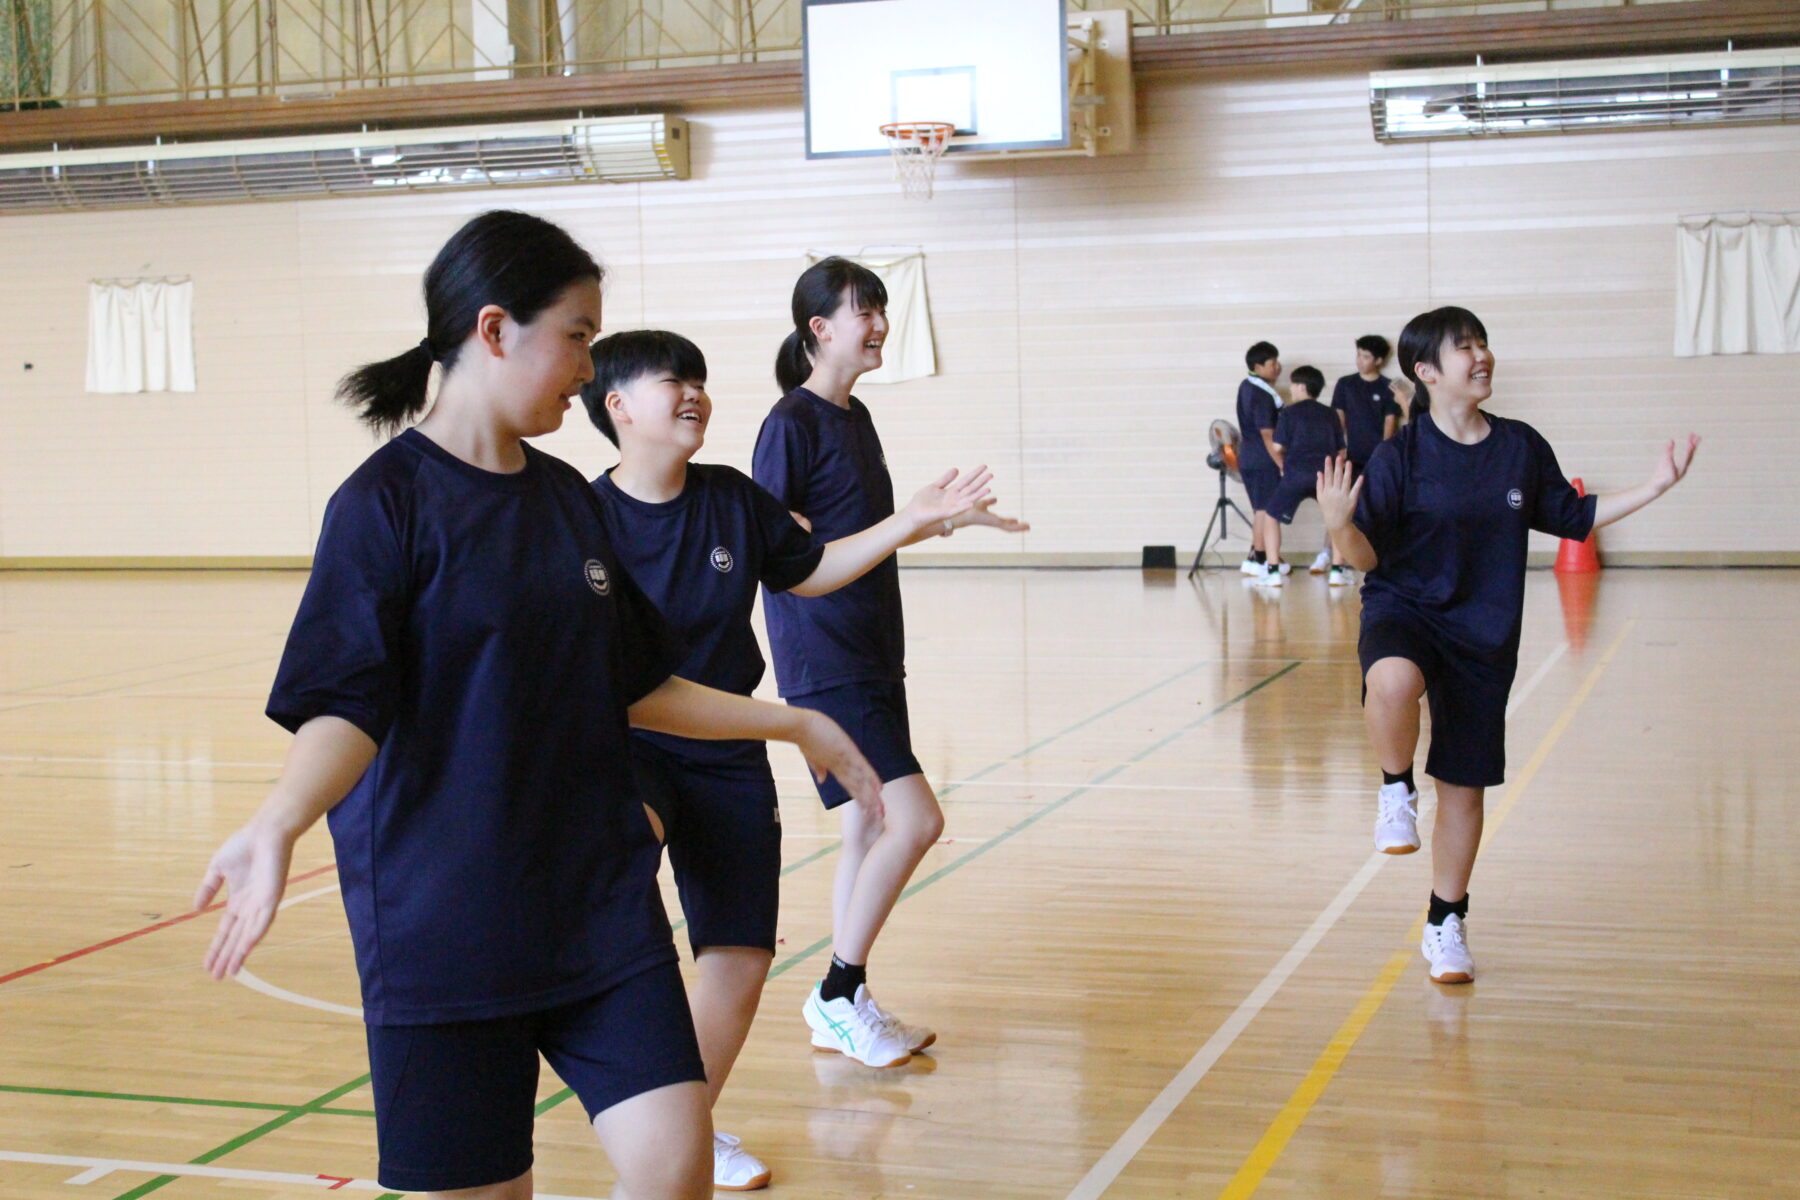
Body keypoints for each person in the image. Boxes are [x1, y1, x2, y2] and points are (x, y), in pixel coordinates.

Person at [192, 211, 882, 1200]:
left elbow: (638, 684)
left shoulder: (567, 501)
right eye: (578, 336)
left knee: (674, 1158)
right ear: (493, 330)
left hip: (597, 904)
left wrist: (798, 721)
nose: (589, 369)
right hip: (443, 923)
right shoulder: (384, 505)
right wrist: (279, 818)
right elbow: (345, 703)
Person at [580, 328, 994, 1187]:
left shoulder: (730, 499)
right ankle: (639, 1112)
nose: (694, 393)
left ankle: (687, 1133)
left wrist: (909, 522)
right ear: (616, 405)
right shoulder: (581, 521)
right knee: (623, 896)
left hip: (729, 752)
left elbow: (812, 569)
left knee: (739, 957)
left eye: (700, 379)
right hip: (629, 748)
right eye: (672, 382)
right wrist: (792, 722)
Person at [1317, 305, 1698, 984]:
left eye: (1483, 343)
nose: (1482, 355)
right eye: (1464, 348)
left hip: (1483, 633)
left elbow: (1574, 517)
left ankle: (1445, 922)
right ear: (1428, 371)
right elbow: (1366, 560)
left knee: (1463, 789)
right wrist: (1340, 524)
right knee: (1394, 681)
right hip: (1404, 606)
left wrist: (1655, 486)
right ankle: (1394, 786)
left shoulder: (1519, 446)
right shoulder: (1400, 455)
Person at [754, 257, 1028, 1069]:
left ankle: (843, 1003)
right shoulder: (790, 424)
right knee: (916, 819)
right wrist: (915, 519)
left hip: (872, 650)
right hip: (825, 656)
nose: (878, 323)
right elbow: (788, 554)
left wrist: (945, 523)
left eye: (881, 308)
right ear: (820, 329)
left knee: (867, 825)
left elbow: (860, 532)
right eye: (863, 310)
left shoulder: (853, 417)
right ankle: (836, 991)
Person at [1256, 365, 1348, 588]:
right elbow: (1342, 452)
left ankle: (1273, 571)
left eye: (1294, 385)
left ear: (1302, 387)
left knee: (1271, 516)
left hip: (1295, 475)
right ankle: (1337, 571)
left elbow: (1277, 447)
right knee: (1336, 520)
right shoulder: (1330, 414)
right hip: (1324, 475)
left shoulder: (1288, 413)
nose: (1291, 389)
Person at [1323, 334, 1403, 573]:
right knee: (1340, 509)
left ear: (1378, 360)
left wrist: (1383, 457)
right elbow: (1338, 421)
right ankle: (1333, 559)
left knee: (1374, 509)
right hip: (1350, 459)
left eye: (1365, 356)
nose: (1359, 360)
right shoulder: (1346, 384)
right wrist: (1339, 449)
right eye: (1358, 354)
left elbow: (1391, 424)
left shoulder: (1389, 387)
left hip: (1376, 460)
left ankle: (1370, 557)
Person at [1235, 341, 1286, 577]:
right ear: (1258, 366)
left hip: (1250, 456)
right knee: (1265, 510)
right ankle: (1261, 557)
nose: (1278, 367)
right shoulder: (1261, 395)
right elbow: (1268, 434)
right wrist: (1282, 464)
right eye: (1272, 363)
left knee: (1260, 508)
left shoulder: (1247, 386)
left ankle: (1259, 555)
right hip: (1262, 458)